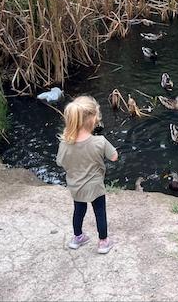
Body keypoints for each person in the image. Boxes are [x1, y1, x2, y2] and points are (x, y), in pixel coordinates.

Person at [56, 95, 118, 254]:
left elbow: (60, 162)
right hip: (95, 186)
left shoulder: (64, 143)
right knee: (100, 213)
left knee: (78, 210)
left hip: (76, 187)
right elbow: (114, 156)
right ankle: (103, 242)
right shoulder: (100, 141)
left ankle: (77, 238)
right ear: (92, 120)